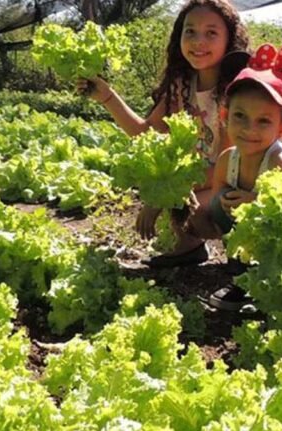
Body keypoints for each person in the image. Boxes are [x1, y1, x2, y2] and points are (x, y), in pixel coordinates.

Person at [77, 0, 249, 268]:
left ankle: (243, 259)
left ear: (230, 40)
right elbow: (145, 134)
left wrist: (166, 194)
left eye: (211, 33)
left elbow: (227, 167)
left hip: (236, 184)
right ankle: (189, 248)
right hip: (196, 183)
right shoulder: (180, 86)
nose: (198, 41)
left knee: (202, 211)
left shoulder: (236, 91)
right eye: (190, 31)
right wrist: (107, 96)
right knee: (173, 209)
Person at [192, 43, 282, 332]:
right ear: (224, 116)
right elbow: (219, 218)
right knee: (223, 201)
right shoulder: (226, 161)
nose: (249, 129)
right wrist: (194, 215)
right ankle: (246, 282)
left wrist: (258, 203)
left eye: (263, 121)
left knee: (253, 216)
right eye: (240, 117)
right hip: (270, 247)